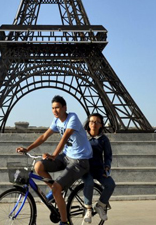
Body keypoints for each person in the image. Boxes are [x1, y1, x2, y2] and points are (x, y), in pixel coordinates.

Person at [17, 96, 92, 225]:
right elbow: (44, 136)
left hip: (80, 160)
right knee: (39, 166)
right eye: (52, 108)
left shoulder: (72, 118)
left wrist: (53, 155)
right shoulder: (56, 120)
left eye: (57, 108)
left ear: (64, 108)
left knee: (57, 187)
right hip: (66, 156)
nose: (55, 111)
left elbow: (65, 138)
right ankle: (55, 191)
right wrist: (27, 149)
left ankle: (64, 221)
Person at [81, 113, 115, 222]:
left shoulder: (104, 139)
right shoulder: (82, 137)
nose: (94, 124)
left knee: (110, 184)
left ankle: (100, 205)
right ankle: (88, 209)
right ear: (88, 123)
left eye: (97, 122)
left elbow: (108, 156)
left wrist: (107, 167)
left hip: (99, 170)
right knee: (89, 182)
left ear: (101, 125)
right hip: (86, 169)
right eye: (91, 121)